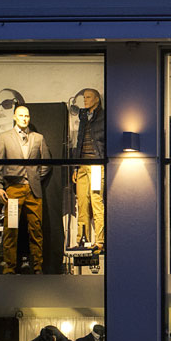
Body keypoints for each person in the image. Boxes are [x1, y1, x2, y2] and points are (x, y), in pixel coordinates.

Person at [0, 106, 51, 274]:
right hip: (13, 189)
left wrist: (35, 177)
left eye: (27, 116)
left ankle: (38, 268)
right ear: (14, 116)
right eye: (21, 115)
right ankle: (9, 268)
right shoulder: (4, 137)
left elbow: (47, 163)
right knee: (10, 230)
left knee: (36, 230)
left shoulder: (38, 138)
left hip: (33, 190)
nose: (24, 118)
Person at [71, 88, 105, 252]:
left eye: (88, 97)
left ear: (97, 99)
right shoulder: (83, 117)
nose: (85, 100)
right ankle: (82, 240)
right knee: (82, 203)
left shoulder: (104, 117)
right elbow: (79, 142)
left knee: (96, 201)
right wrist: (76, 167)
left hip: (96, 165)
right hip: (82, 165)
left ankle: (100, 241)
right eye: (84, 97)